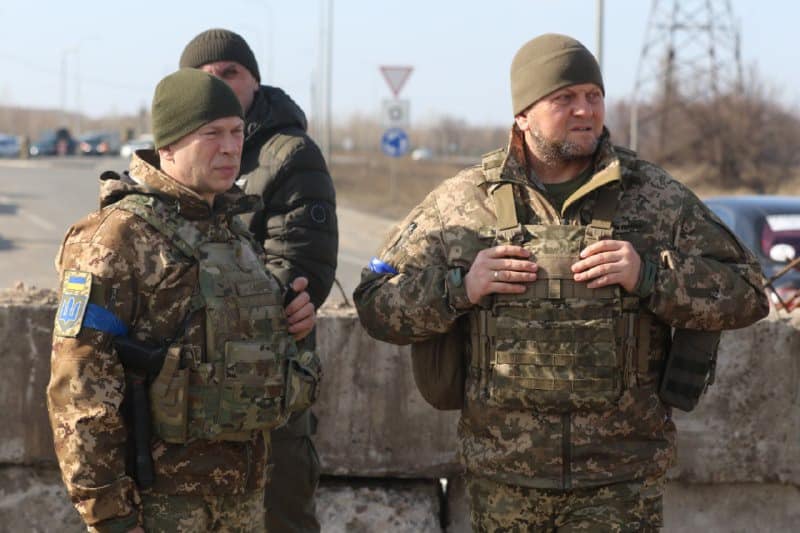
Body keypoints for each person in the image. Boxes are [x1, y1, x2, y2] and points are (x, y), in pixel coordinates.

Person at [353, 33, 769, 531]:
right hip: (504, 480)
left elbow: (748, 291)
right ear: (523, 114)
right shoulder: (464, 201)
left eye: (593, 96)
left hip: (619, 483)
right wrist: (459, 288)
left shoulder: (655, 196)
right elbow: (376, 303)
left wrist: (651, 276)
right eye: (564, 98)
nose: (584, 110)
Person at [47, 68, 317, 533]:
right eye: (211, 134)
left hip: (243, 504)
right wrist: (110, 515)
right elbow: (79, 388)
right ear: (168, 146)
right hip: (160, 510)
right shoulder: (116, 239)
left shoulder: (234, 233)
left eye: (236, 132)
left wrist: (292, 329)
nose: (230, 147)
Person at [179, 28, 338, 533]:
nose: (219, 86)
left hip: (266, 395)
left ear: (255, 82)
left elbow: (295, 280)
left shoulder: (289, 156)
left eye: (231, 74)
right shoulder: (177, 160)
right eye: (204, 79)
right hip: (184, 402)